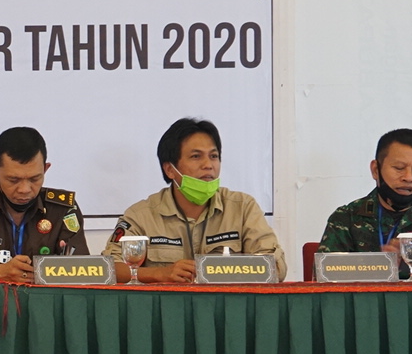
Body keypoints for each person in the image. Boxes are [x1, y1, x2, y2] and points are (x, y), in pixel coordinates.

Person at [103, 117, 286, 282]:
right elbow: (109, 269)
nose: (208, 165)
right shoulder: (141, 216)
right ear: (170, 169)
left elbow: (276, 267)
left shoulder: (243, 208)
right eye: (196, 156)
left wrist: (224, 270)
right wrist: (160, 273)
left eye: (213, 156)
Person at [0, 126, 89, 284]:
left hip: (46, 298)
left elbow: (85, 270)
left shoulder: (64, 209)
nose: (24, 189)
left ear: (45, 169)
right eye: (13, 180)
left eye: (35, 179)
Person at [318, 128, 412, 280]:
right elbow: (324, 276)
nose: (408, 177)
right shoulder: (347, 218)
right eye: (399, 168)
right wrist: (378, 266)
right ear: (376, 170)